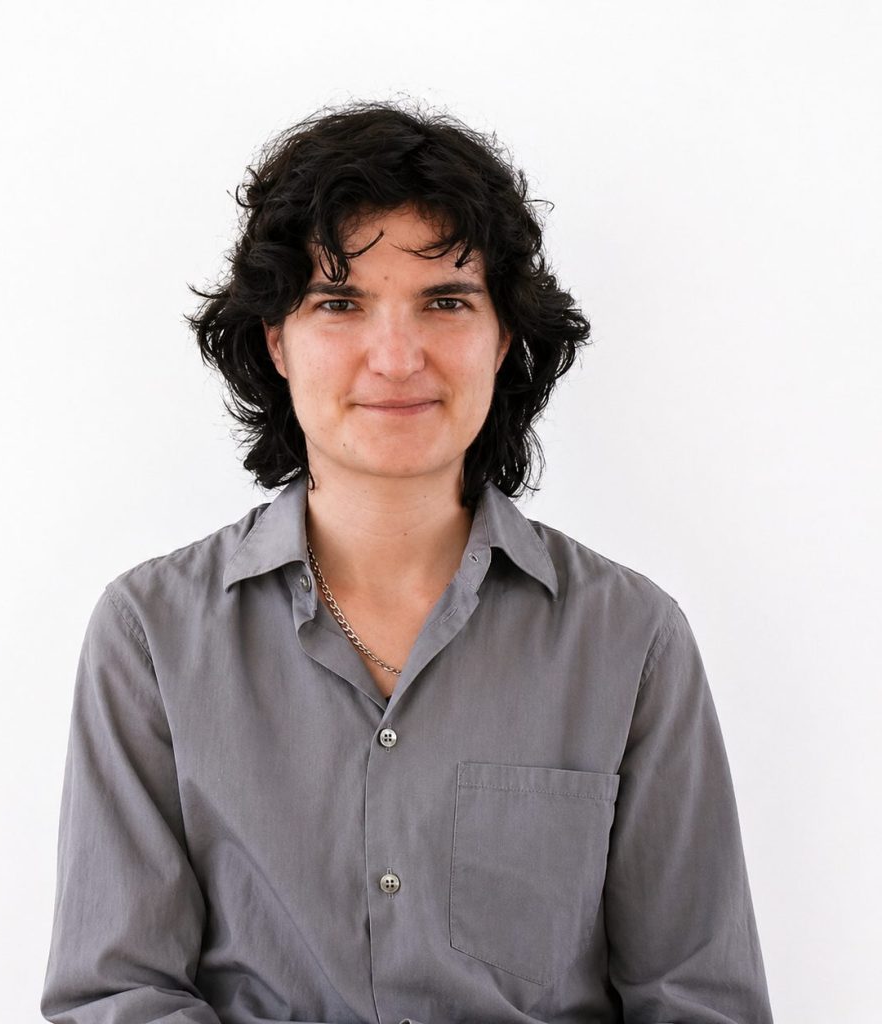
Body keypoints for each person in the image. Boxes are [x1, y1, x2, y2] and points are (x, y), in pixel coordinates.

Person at [40, 101, 773, 1024]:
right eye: (340, 304)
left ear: (504, 338)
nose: (395, 358)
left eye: (446, 302)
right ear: (276, 340)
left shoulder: (631, 638)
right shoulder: (151, 632)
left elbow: (700, 1001)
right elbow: (118, 996)